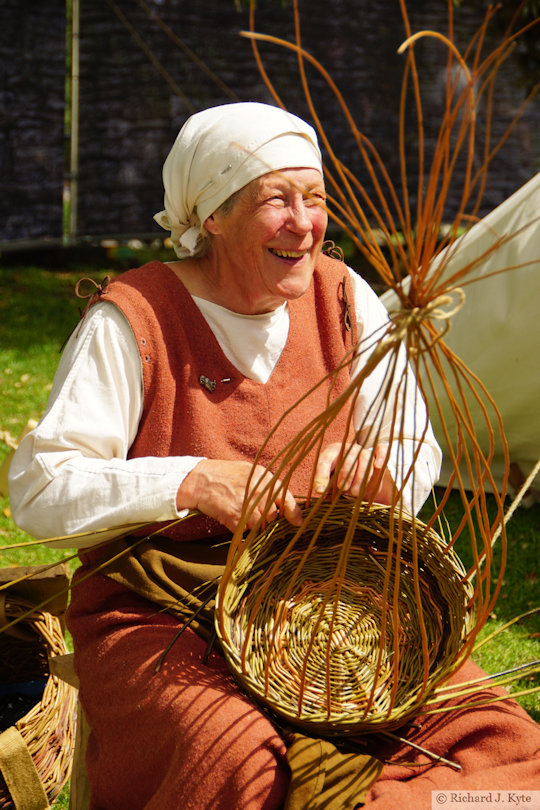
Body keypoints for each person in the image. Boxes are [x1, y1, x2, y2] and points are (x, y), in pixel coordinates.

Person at [8, 103, 539, 809]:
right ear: (213, 217)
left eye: (314, 199)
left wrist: (379, 474)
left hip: (346, 610)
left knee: (502, 745)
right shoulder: (135, 319)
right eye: (275, 200)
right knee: (240, 768)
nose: (304, 223)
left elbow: (417, 447)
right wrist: (192, 480)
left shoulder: (348, 299)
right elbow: (42, 489)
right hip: (166, 612)